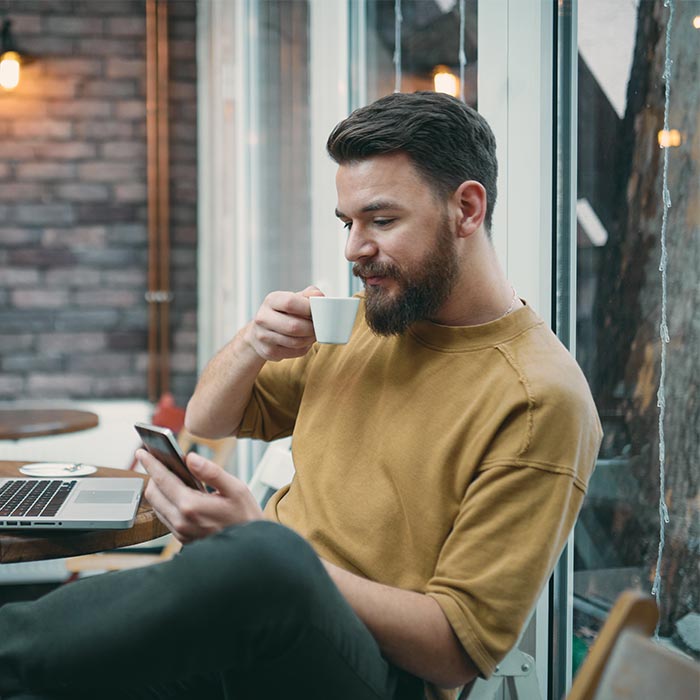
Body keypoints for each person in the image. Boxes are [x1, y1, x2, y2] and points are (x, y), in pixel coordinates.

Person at [0, 92, 602, 700]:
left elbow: (453, 654)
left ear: (466, 209)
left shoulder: (540, 400)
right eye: (347, 223)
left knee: (267, 563)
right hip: (240, 622)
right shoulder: (370, 320)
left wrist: (264, 547)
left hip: (370, 674)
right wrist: (252, 342)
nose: (353, 249)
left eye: (381, 221)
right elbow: (212, 417)